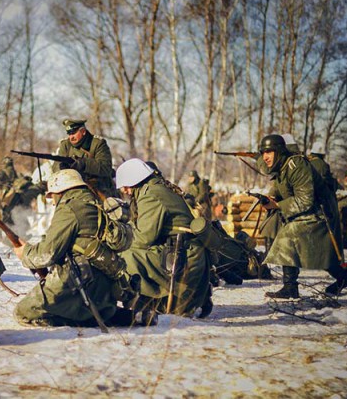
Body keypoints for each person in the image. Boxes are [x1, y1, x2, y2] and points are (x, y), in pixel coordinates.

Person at [12, 169, 118, 327]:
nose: (53, 202)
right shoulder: (94, 203)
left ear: (61, 191)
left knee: (23, 311)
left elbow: (47, 254)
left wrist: (25, 254)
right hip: (103, 284)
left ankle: (75, 320)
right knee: (97, 312)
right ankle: (127, 316)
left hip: (77, 280)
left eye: (52, 196)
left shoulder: (69, 208)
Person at [257, 135, 347, 298]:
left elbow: (305, 199)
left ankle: (290, 287)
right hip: (310, 212)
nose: (265, 156)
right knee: (321, 254)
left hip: (320, 214)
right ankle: (345, 279)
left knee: (287, 237)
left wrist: (278, 206)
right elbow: (284, 191)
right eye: (262, 152)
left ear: (280, 151)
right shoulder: (283, 169)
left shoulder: (296, 165)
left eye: (268, 151)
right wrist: (272, 199)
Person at [116, 158, 212, 318]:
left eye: (126, 185)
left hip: (181, 256)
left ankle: (143, 298)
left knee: (126, 255)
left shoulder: (151, 195)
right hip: (184, 252)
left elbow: (143, 238)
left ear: (135, 180)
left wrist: (118, 238)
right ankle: (188, 297)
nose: (124, 190)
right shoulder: (157, 188)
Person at [53, 119, 117, 198]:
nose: (71, 137)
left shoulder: (98, 143)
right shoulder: (65, 145)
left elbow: (106, 168)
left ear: (83, 131)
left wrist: (84, 164)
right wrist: (62, 169)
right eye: (69, 134)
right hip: (73, 190)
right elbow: (55, 169)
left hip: (99, 190)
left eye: (73, 133)